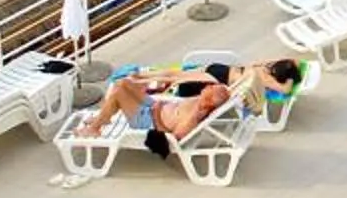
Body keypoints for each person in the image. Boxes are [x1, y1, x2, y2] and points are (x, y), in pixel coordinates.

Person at [74, 57, 303, 148]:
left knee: (117, 93)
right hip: (155, 106)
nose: (209, 88)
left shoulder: (198, 113)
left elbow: (179, 136)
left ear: (209, 102)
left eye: (210, 90)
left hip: (147, 119)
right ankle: (101, 119)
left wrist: (191, 115)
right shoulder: (208, 102)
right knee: (124, 84)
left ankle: (95, 127)